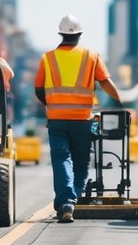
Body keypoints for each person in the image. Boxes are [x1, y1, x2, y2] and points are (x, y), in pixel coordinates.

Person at [34, 14, 122, 223]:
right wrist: (120, 102)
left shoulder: (48, 58)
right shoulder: (91, 57)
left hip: (57, 120)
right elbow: (106, 82)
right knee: (81, 162)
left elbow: (38, 90)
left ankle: (66, 201)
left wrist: (53, 105)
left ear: (61, 34)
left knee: (61, 159)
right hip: (83, 120)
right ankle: (71, 199)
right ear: (80, 34)